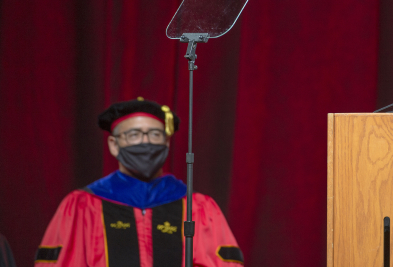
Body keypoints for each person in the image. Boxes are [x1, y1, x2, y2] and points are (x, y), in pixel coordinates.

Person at [35, 98, 243, 267]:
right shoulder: (82, 206)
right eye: (133, 135)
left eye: (155, 134)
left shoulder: (196, 207)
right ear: (114, 145)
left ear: (167, 142)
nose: (146, 142)